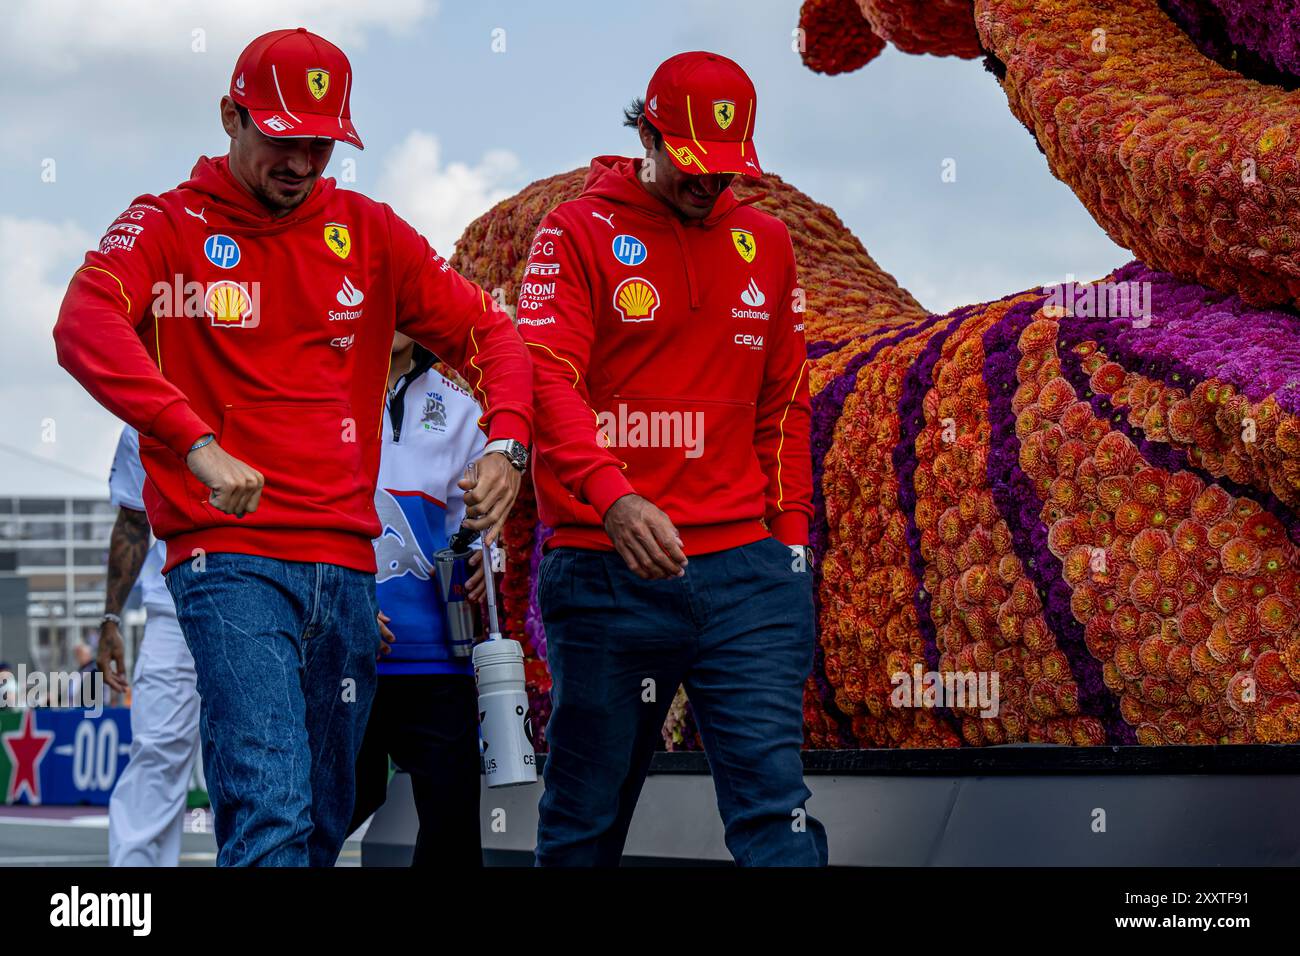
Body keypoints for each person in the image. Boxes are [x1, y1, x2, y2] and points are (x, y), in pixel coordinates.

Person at [53, 28, 533, 866]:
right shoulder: (164, 224)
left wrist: (509, 444)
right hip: (227, 560)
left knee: (319, 816)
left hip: (347, 573)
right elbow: (82, 322)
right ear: (231, 115)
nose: (304, 164)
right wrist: (194, 441)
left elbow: (492, 332)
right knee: (270, 806)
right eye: (282, 140)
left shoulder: (370, 232)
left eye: (322, 144)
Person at [520, 51, 828, 866]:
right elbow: (545, 377)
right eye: (693, 164)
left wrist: (789, 541)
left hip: (747, 578)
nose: (710, 184)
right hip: (605, 572)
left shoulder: (767, 241)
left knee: (776, 811)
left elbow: (786, 401)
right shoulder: (575, 232)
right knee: (586, 818)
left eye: (727, 170)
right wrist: (613, 498)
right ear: (646, 133)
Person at [347, 332, 499, 866]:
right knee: (318, 814)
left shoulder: (463, 410)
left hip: (437, 659)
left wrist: (485, 557)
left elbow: (476, 528)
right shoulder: (318, 391)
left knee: (453, 836)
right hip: (342, 655)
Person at [98, 425, 202, 867]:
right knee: (156, 750)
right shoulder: (147, 413)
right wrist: (110, 620)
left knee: (263, 753)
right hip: (173, 607)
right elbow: (133, 522)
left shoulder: (274, 381)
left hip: (270, 601)